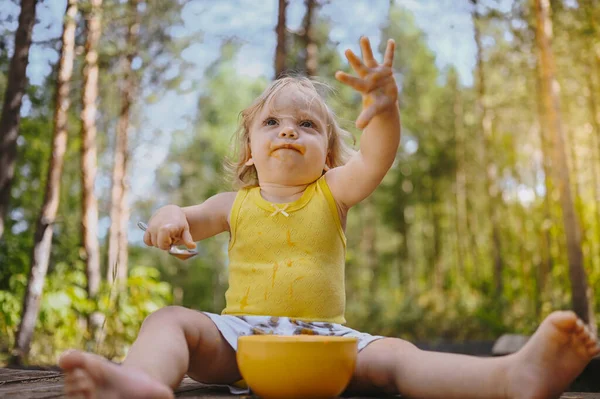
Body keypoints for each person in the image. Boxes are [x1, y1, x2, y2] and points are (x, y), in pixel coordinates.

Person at [59, 37, 599, 399]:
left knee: (399, 357)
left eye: (307, 125)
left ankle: (510, 377)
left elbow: (376, 158)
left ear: (328, 155)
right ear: (250, 151)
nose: (289, 131)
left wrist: (384, 109)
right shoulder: (234, 204)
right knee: (169, 320)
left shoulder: (332, 192)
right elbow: (185, 217)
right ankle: (142, 384)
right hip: (245, 343)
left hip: (328, 343)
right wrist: (166, 215)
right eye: (272, 122)